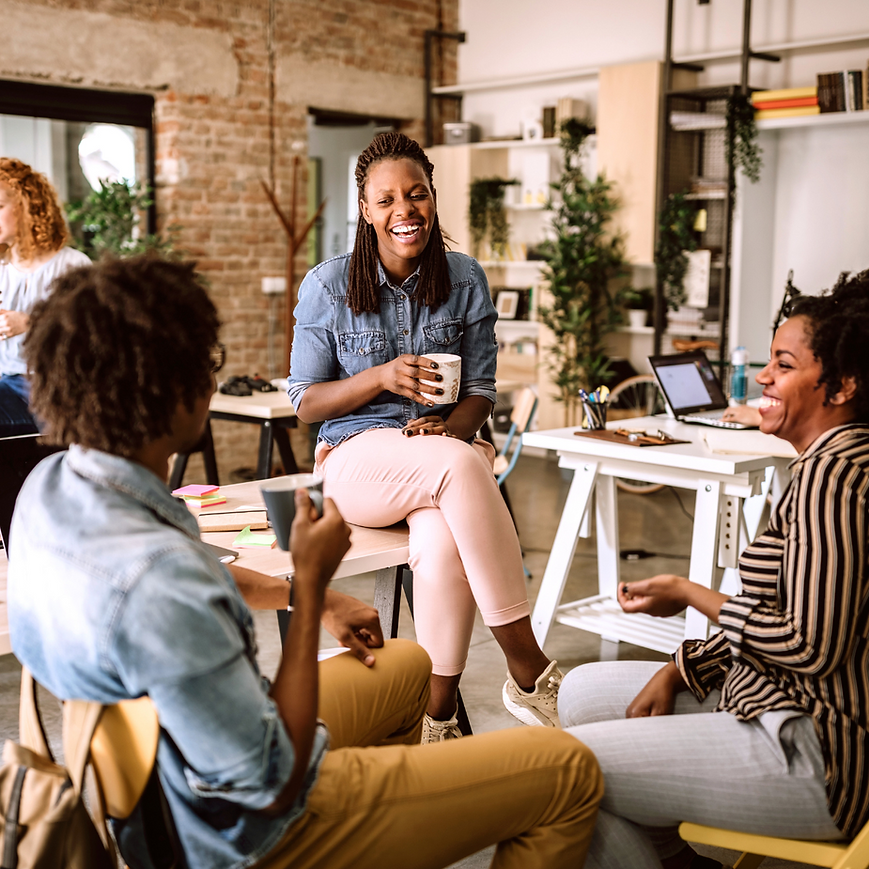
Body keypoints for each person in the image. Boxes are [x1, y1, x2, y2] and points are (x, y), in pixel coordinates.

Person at [8, 255, 603, 869]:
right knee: (568, 770)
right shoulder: (159, 587)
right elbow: (274, 780)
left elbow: (192, 572)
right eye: (206, 364)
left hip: (181, 774)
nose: (213, 381)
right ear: (174, 391)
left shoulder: (52, 485)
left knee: (406, 667)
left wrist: (310, 600)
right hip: (253, 830)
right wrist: (313, 583)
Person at [558, 270, 869, 869]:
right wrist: (683, 666)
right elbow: (782, 615)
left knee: (566, 778)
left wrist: (690, 592)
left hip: (817, 746)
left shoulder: (836, 479)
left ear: (841, 385)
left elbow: (808, 645)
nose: (763, 379)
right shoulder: (828, 464)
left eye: (783, 363)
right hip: (770, 696)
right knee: (579, 693)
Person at [288, 132, 559, 742]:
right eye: (386, 200)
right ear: (365, 209)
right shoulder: (328, 286)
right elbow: (306, 403)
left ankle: (437, 718)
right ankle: (528, 666)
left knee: (441, 544)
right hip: (356, 460)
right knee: (460, 467)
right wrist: (381, 377)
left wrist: (452, 427)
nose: (404, 211)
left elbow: (481, 393)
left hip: (439, 457)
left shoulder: (464, 279)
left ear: (433, 199)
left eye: (416, 196)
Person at [0, 157, 90, 436]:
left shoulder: (73, 266)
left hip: (61, 388)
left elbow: (96, 338)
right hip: (8, 385)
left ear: (28, 207)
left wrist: (30, 323)